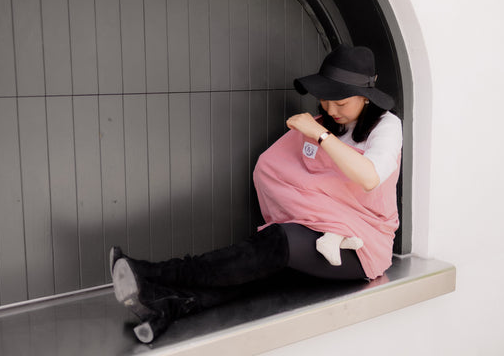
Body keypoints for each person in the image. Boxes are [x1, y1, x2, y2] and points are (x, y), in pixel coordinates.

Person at [109, 44, 403, 343]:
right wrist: (319, 136)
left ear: (366, 96)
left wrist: (321, 135)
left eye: (340, 102)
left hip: (362, 246)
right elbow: (274, 169)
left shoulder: (386, 127)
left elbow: (369, 178)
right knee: (261, 272)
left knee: (275, 243)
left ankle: (151, 273)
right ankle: (166, 306)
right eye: (324, 100)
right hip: (320, 229)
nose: (330, 110)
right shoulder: (324, 123)